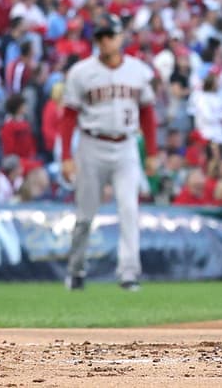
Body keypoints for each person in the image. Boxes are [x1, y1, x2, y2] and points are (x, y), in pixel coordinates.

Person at [60, 15, 158, 291]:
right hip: (91, 145)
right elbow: (68, 117)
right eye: (100, 37)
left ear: (120, 37)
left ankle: (129, 273)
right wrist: (66, 156)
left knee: (129, 209)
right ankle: (76, 270)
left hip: (126, 145)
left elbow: (148, 114)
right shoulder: (81, 72)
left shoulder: (138, 70)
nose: (105, 41)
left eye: (109, 35)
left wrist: (151, 152)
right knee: (85, 215)